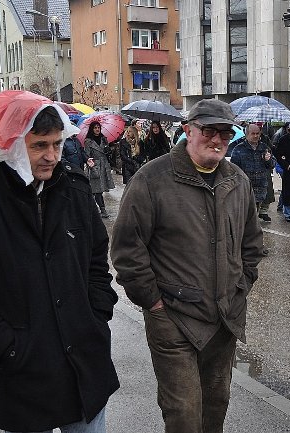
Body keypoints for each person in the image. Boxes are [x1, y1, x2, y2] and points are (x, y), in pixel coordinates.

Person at [110, 98, 264, 433]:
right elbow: (126, 249)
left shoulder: (237, 181)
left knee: (216, 405)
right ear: (187, 131)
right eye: (208, 130)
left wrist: (241, 287)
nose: (216, 139)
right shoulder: (152, 179)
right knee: (183, 412)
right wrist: (153, 302)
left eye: (224, 133)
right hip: (174, 319)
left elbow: (252, 244)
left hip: (225, 319)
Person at [0, 91, 119, 433]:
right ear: (13, 144)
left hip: (83, 362)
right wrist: (6, 346)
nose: (52, 156)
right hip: (22, 371)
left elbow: (98, 261)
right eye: (40, 145)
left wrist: (97, 316)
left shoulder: (75, 191)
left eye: (57, 144)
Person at [230, 123, 276, 222]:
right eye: (253, 133)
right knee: (247, 217)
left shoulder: (264, 147)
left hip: (261, 188)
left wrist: (268, 160)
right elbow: (233, 169)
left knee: (253, 217)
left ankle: (252, 233)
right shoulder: (239, 149)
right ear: (247, 134)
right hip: (245, 188)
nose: (256, 136)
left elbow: (272, 164)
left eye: (258, 133)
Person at [84, 120, 115, 219]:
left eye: (98, 128)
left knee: (98, 190)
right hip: (95, 166)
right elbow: (87, 155)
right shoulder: (88, 141)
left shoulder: (103, 139)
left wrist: (108, 150)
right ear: (92, 129)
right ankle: (102, 209)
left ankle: (92, 208)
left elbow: (109, 153)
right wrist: (92, 166)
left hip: (104, 166)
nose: (97, 129)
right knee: (97, 190)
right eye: (95, 128)